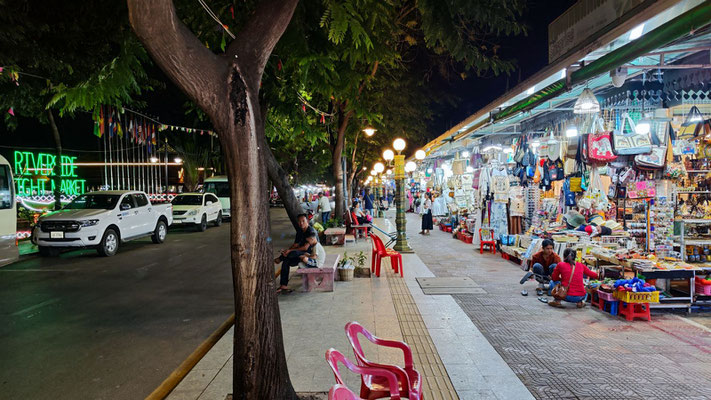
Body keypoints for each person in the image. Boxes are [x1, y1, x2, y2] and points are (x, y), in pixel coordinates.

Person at [275, 214, 318, 293]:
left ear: (307, 221)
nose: (301, 223)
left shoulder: (311, 231)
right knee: (286, 262)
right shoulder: (299, 231)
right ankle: (283, 286)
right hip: (299, 254)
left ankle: (280, 258)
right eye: (299, 221)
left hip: (310, 256)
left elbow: (305, 248)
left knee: (291, 254)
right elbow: (295, 245)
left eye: (303, 221)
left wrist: (290, 251)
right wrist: (287, 251)